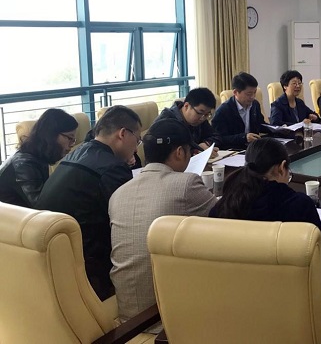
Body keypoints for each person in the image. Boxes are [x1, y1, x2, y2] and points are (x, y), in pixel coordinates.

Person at [210, 137, 321, 314]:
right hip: (293, 308)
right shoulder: (300, 206)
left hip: (236, 306)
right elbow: (320, 265)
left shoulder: (222, 207)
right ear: (282, 167)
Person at [109, 119, 216, 329]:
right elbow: (227, 221)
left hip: (128, 317)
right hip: (164, 319)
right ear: (180, 153)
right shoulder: (186, 184)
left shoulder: (118, 193)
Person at [36, 105, 142, 300]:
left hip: (50, 256)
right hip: (88, 266)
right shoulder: (112, 169)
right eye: (137, 140)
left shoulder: (75, 154)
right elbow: (130, 223)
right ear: (123, 134)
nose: (136, 148)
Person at [0, 108, 78, 208]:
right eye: (70, 138)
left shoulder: (36, 156)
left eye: (74, 140)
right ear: (51, 135)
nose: (72, 144)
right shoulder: (24, 164)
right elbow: (42, 206)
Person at [155, 87, 220, 155]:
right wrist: (196, 150)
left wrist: (206, 144)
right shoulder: (166, 122)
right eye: (199, 113)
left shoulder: (200, 118)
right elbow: (166, 153)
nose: (202, 118)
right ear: (186, 106)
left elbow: (216, 136)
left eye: (207, 114)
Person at [211, 72, 269, 149]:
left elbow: (260, 125)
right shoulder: (223, 111)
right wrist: (244, 137)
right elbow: (220, 139)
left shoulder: (255, 104)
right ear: (235, 92)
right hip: (234, 151)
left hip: (253, 148)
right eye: (249, 94)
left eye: (254, 92)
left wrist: (277, 129)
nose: (253, 97)